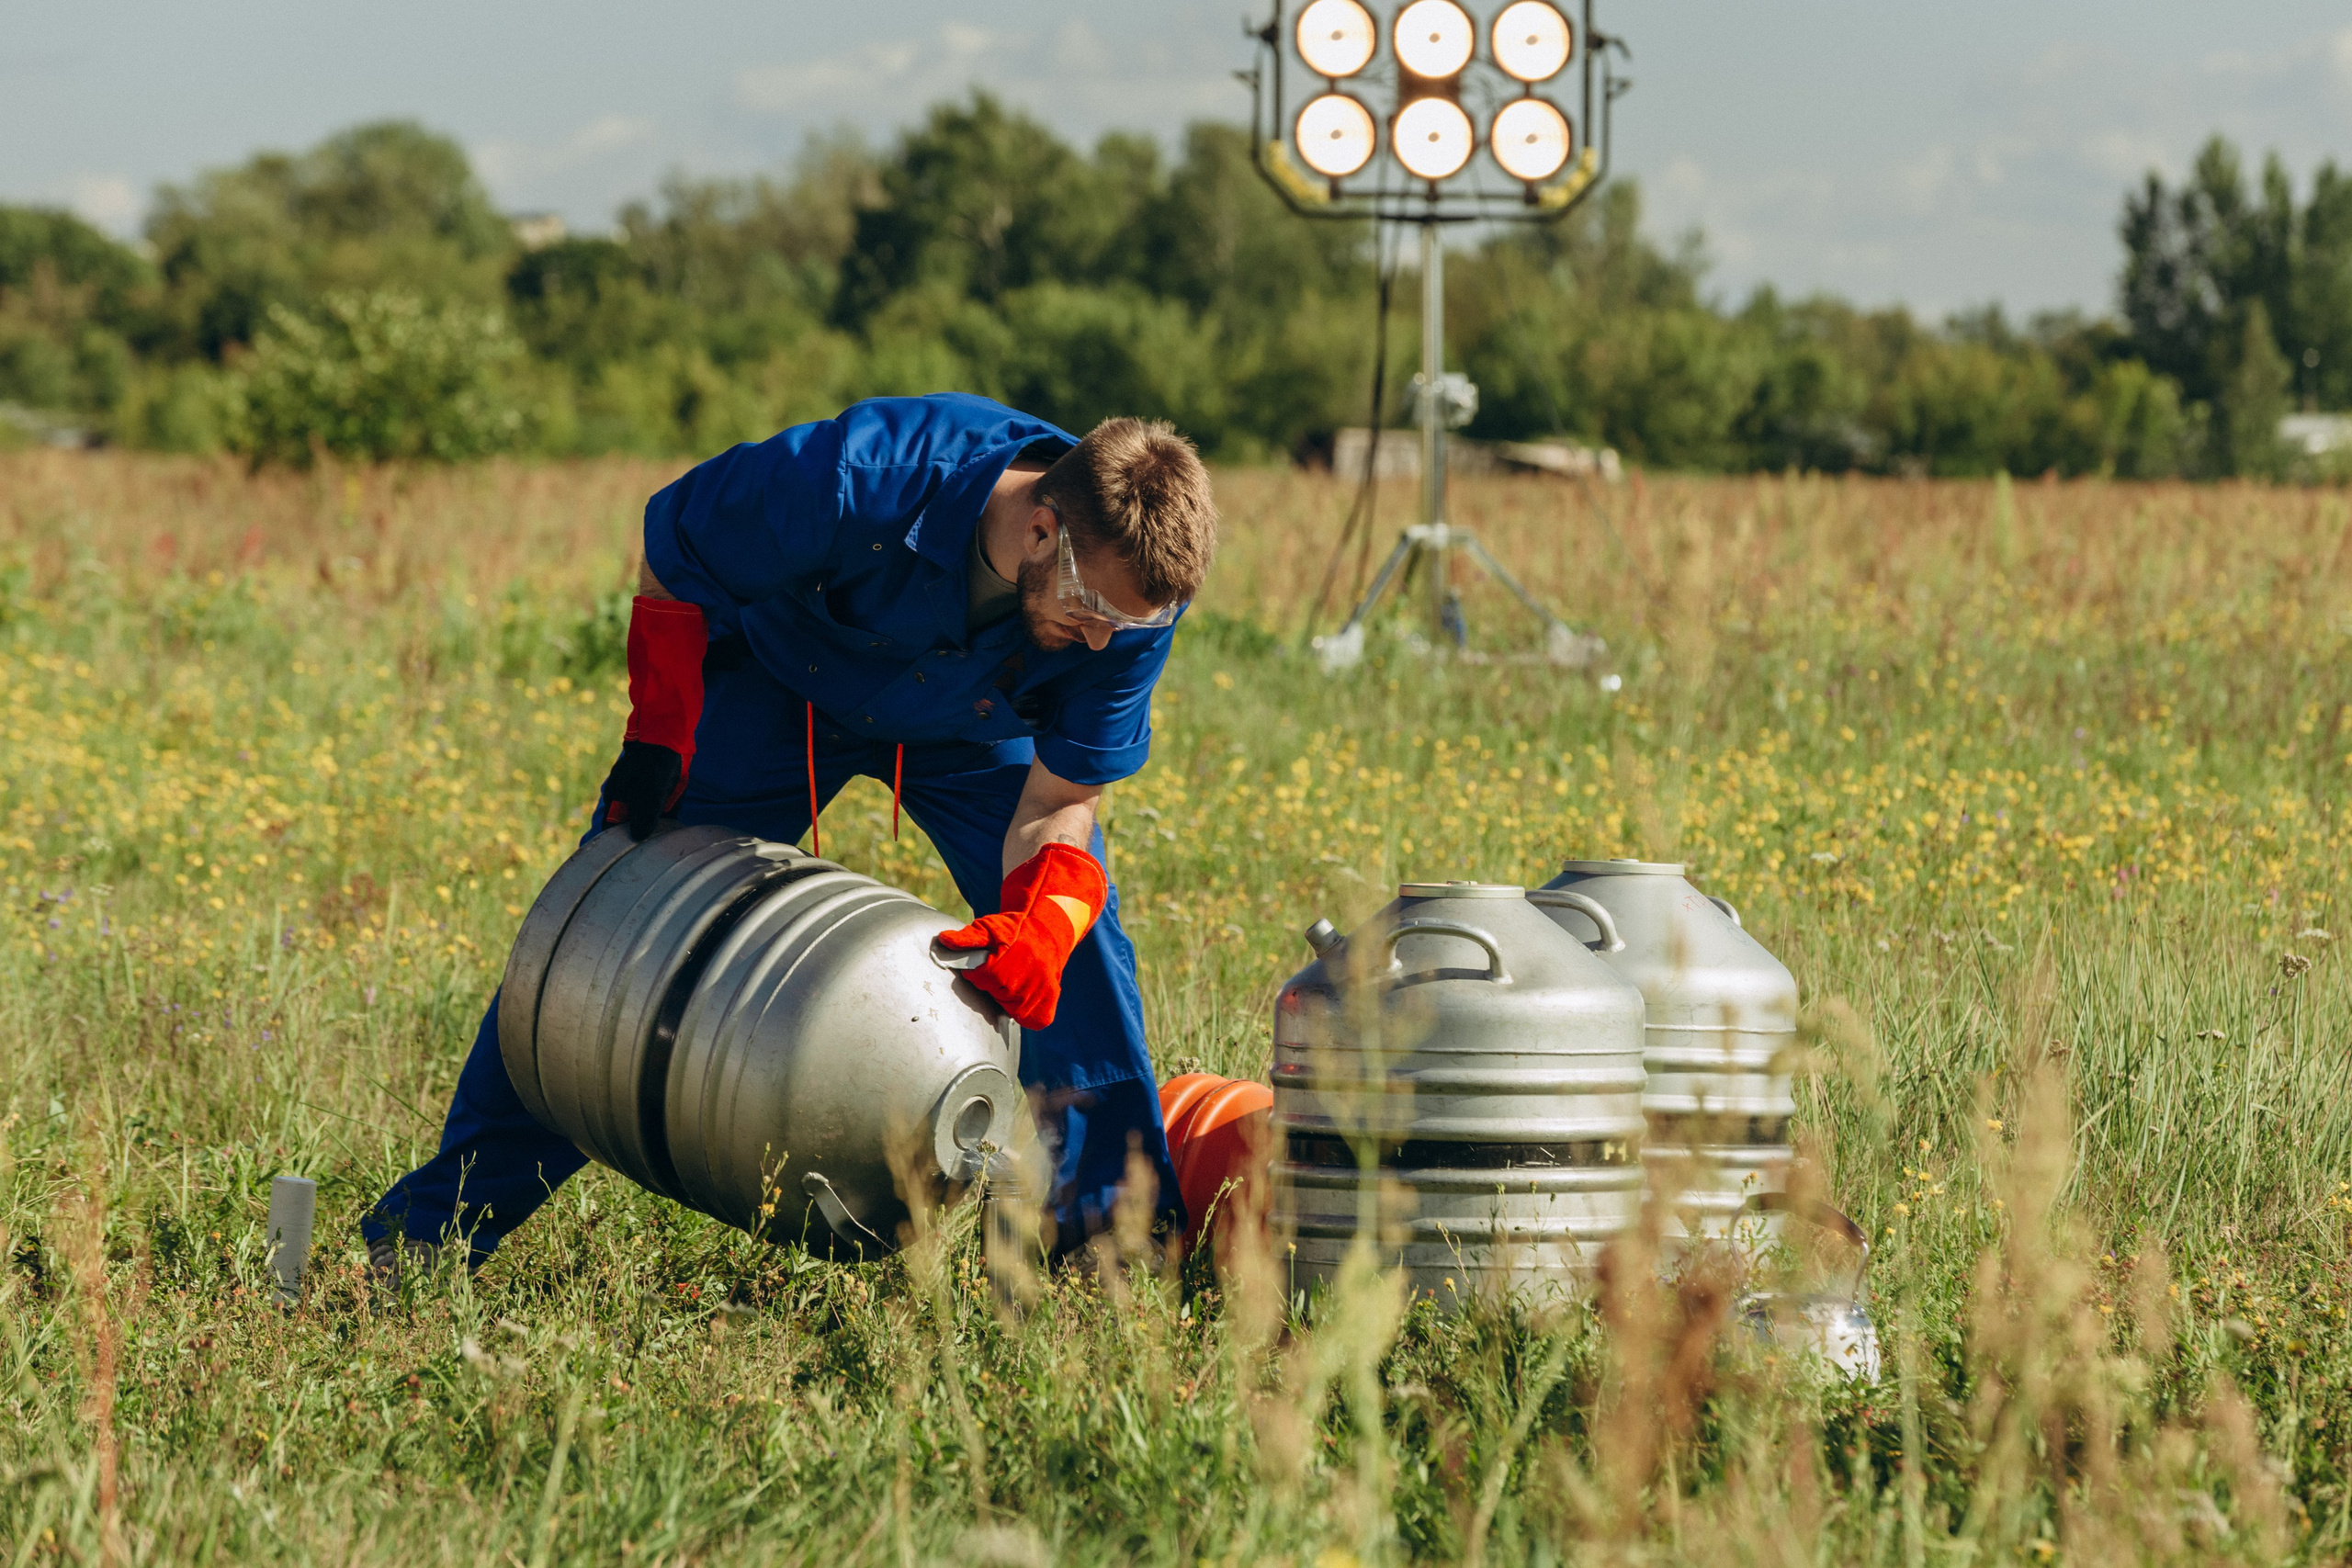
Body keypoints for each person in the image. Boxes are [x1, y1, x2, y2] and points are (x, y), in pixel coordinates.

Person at [363, 393, 1217, 1277]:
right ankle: (431, 1235)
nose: (1102, 640)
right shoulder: (857, 477)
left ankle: (1114, 1249)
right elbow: (677, 549)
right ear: (1041, 529)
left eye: (1128, 624)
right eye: (1091, 608)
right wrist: (659, 732)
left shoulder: (1129, 601)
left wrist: (1041, 927)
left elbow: (1061, 800)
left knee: (1074, 942)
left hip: (971, 723)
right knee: (613, 933)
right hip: (786, 683)